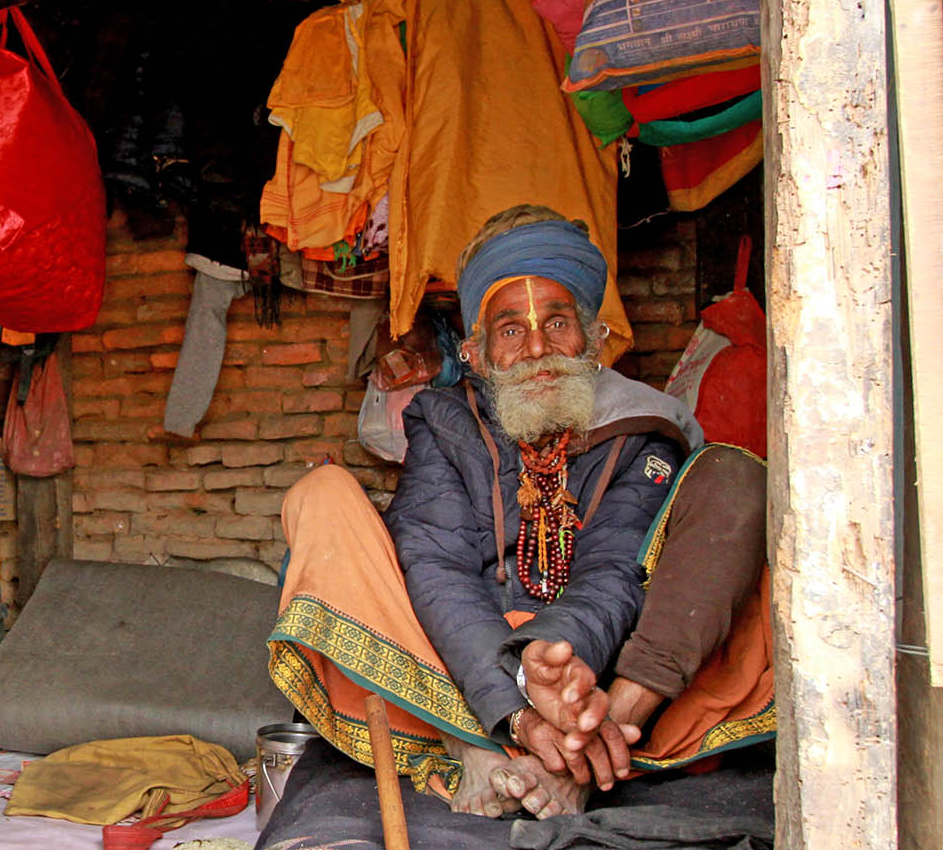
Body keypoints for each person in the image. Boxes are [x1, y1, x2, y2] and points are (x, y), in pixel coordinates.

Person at [267, 205, 772, 818]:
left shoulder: (643, 427)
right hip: (458, 672)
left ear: (594, 341)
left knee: (736, 477)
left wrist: (557, 680)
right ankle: (479, 746)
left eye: (558, 323)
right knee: (322, 497)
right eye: (510, 331)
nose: (537, 348)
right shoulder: (445, 418)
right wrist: (518, 712)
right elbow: (435, 567)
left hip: (600, 674)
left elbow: (616, 570)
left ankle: (597, 750)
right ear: (477, 353)